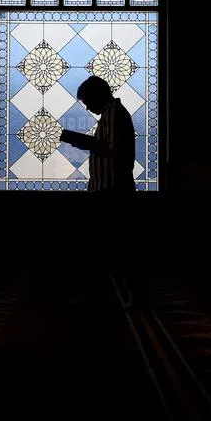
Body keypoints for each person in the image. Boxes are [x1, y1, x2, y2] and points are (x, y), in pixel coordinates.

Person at [56, 75, 136, 307]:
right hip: (110, 190)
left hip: (111, 191)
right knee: (106, 246)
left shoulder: (113, 113)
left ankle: (107, 296)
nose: (88, 108)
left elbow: (112, 149)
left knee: (103, 246)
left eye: (88, 102)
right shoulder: (113, 113)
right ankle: (109, 295)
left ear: (98, 94)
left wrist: (76, 139)